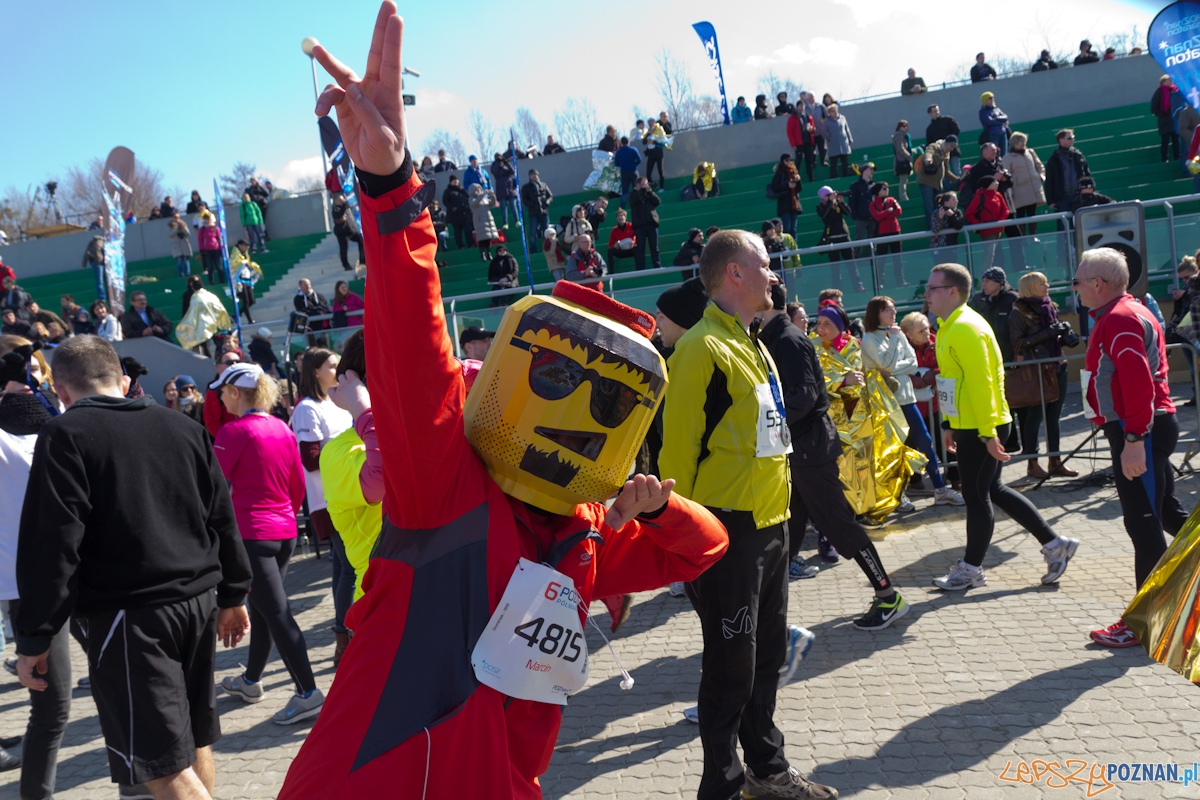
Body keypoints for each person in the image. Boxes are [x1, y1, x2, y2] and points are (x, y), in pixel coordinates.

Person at [280, 14, 729, 796]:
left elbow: (702, 550)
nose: (581, 413)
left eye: (611, 402)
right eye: (556, 379)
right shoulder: (444, 487)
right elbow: (411, 354)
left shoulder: (583, 530)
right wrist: (391, 191)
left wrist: (656, 508)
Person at [15, 335, 252, 798]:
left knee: (161, 764)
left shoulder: (65, 435)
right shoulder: (181, 427)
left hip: (130, 615)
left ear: (61, 392)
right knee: (193, 738)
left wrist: (35, 634)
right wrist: (234, 593)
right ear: (119, 379)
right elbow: (221, 515)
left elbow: (54, 543)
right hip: (197, 602)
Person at [660, 230, 838, 800]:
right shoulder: (700, 349)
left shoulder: (752, 341)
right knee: (731, 665)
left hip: (770, 524)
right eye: (765, 263)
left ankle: (768, 767)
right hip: (724, 531)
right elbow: (676, 454)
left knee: (767, 658)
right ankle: (722, 785)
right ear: (734, 273)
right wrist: (680, 541)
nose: (774, 273)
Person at [762, 284, 919, 617]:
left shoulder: (788, 340)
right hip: (798, 450)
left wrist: (761, 424)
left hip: (811, 451)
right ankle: (766, 614)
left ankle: (888, 596)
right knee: (786, 528)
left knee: (839, 525)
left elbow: (804, 396)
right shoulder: (771, 337)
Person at [923, 264, 1077, 591]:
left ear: (953, 292)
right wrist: (951, 422)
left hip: (983, 426)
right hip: (973, 425)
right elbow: (954, 382)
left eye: (932, 288)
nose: (926, 294)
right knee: (991, 491)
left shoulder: (965, 328)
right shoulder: (950, 325)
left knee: (977, 496)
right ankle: (1055, 545)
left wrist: (988, 433)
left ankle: (970, 568)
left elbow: (983, 384)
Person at [1074, 248, 1189, 646]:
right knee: (1166, 514)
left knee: (1143, 525)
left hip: (1140, 429)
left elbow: (1138, 382)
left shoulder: (1121, 318)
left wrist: (1134, 440)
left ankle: (1146, 624)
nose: (1074, 287)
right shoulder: (1126, 311)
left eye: (1077, 280)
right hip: (1144, 427)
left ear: (1097, 284)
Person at [209, 362, 322, 725]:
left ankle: (308, 693)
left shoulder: (233, 431)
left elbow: (210, 489)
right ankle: (251, 681)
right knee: (263, 611)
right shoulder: (281, 428)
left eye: (223, 391)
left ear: (236, 392)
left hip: (252, 536)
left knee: (275, 614)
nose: (221, 398)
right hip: (284, 532)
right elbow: (297, 487)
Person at [861, 296, 963, 506]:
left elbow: (912, 363)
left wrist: (892, 365)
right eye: (888, 309)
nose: (893, 312)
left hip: (907, 399)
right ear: (876, 313)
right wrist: (896, 346)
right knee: (894, 449)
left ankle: (940, 490)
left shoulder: (896, 334)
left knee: (925, 441)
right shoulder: (870, 339)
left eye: (893, 307)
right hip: (886, 403)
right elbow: (890, 365)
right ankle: (897, 495)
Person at [318, 331, 383, 655]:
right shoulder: (338, 452)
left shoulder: (422, 428)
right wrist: (363, 409)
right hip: (381, 610)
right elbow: (383, 478)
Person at [1008, 271, 1077, 480]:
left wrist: (1064, 334)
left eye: (1046, 283)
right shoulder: (1019, 312)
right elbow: (1018, 343)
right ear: (1030, 287)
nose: (1047, 286)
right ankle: (1032, 463)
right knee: (1035, 417)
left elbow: (1052, 339)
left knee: (1054, 417)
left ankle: (1055, 462)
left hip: (1057, 365)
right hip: (1037, 370)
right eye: (1042, 284)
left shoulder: (1050, 306)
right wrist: (1049, 332)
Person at [817, 186, 861, 292]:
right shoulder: (820, 207)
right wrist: (830, 202)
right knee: (835, 266)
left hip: (844, 237)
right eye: (828, 195)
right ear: (823, 197)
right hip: (832, 238)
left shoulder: (837, 204)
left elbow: (848, 212)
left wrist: (841, 202)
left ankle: (858, 285)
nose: (831, 196)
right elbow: (824, 216)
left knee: (852, 263)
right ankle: (837, 289)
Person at [1004, 132, 1046, 235]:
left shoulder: (1030, 152)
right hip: (1018, 190)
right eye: (1020, 141)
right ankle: (1022, 237)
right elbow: (1006, 176)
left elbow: (1039, 166)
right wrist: (1009, 191)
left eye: (1024, 141)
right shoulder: (1007, 157)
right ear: (1014, 143)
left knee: (1032, 213)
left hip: (1033, 188)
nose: (1023, 143)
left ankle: (1033, 235)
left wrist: (1041, 175)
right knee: (1020, 215)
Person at [965, 174, 1010, 269]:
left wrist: (1000, 221)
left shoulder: (998, 194)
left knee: (994, 253)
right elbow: (969, 213)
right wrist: (980, 225)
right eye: (994, 182)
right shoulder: (979, 197)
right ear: (987, 184)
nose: (997, 183)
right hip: (987, 230)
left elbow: (1005, 210)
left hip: (998, 228)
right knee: (989, 254)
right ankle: (985, 274)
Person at [916, 136, 959, 230]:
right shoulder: (935, 146)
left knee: (938, 206)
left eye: (953, 147)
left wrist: (958, 180)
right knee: (929, 206)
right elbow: (928, 153)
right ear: (946, 143)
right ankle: (932, 227)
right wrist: (928, 160)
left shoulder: (947, 154)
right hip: (926, 181)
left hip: (938, 184)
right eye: (951, 146)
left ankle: (939, 225)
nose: (952, 149)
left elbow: (946, 172)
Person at [869, 183, 905, 288]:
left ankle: (900, 280)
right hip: (882, 233)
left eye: (887, 188)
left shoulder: (891, 200)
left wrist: (885, 214)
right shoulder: (873, 204)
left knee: (898, 258)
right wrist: (888, 212)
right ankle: (880, 282)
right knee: (881, 259)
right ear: (878, 191)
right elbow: (876, 216)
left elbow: (899, 211)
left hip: (895, 231)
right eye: (884, 188)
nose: (886, 190)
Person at [1044, 129, 1090, 212]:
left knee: (1079, 222)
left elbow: (1087, 173)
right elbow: (1049, 181)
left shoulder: (1078, 155)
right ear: (1061, 140)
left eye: (1073, 137)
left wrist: (1088, 190)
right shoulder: (1054, 159)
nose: (1072, 140)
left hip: (1078, 195)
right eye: (1069, 138)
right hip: (1062, 197)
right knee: (1063, 223)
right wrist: (1051, 200)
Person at [630, 177, 662, 272]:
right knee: (640, 249)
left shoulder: (648, 194)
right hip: (640, 226)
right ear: (638, 185)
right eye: (644, 184)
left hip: (651, 224)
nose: (646, 185)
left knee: (654, 248)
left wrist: (650, 192)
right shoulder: (632, 194)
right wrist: (643, 190)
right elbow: (635, 199)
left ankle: (657, 266)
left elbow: (657, 201)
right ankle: (641, 269)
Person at [847, 161, 876, 260]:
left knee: (873, 239)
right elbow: (852, 202)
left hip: (872, 217)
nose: (872, 171)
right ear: (864, 170)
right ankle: (855, 259)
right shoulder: (855, 186)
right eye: (870, 169)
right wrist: (855, 216)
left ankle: (872, 258)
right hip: (861, 218)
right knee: (859, 239)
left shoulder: (873, 185)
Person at [926, 105, 961, 178]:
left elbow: (956, 129)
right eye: (935, 111)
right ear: (930, 114)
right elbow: (930, 143)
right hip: (941, 153)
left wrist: (950, 141)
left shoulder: (948, 120)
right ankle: (948, 189)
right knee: (944, 172)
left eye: (937, 110)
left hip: (953, 150)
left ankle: (961, 187)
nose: (937, 112)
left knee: (956, 170)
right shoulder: (930, 129)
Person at [231, 239, 262, 324]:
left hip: (247, 280)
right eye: (246, 246)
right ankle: (250, 320)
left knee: (251, 301)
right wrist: (237, 281)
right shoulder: (235, 255)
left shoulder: (245, 254)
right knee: (246, 301)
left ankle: (236, 315)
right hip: (239, 280)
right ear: (240, 245)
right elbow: (234, 268)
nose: (247, 248)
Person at [519, 168, 553, 245]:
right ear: (529, 176)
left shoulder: (544, 185)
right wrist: (532, 205)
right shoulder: (526, 187)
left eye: (535, 174)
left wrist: (546, 203)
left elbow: (550, 196)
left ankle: (547, 247)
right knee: (532, 233)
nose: (534, 176)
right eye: (532, 175)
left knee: (546, 231)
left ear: (538, 175)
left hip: (544, 212)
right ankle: (533, 249)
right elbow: (523, 199)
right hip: (533, 213)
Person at [332, 191, 365, 270]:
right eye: (340, 200)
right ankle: (346, 265)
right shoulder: (336, 209)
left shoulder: (346, 208)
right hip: (341, 232)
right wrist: (343, 204)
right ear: (336, 200)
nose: (342, 201)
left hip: (350, 231)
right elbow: (339, 214)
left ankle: (362, 259)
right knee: (344, 248)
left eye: (342, 199)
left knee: (361, 240)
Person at [786, 107, 818, 184]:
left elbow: (813, 128)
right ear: (797, 107)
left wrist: (812, 129)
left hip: (808, 142)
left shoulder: (808, 116)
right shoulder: (793, 117)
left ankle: (811, 179)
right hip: (798, 143)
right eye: (800, 105)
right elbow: (790, 132)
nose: (802, 107)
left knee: (809, 161)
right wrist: (793, 144)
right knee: (798, 161)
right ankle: (796, 179)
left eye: (803, 105)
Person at [468, 183, 499, 261]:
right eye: (477, 189)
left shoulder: (484, 198)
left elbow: (492, 204)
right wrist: (482, 195)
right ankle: (482, 255)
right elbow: (474, 203)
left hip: (487, 219)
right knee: (482, 239)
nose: (479, 190)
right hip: (479, 220)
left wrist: (492, 196)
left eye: (480, 189)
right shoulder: (471, 198)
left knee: (488, 239)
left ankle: (489, 254)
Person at [442, 174, 473, 250]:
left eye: (456, 180)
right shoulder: (448, 191)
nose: (455, 182)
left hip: (465, 215)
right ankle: (460, 246)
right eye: (453, 180)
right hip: (455, 216)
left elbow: (469, 198)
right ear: (450, 182)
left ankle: (471, 244)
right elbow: (445, 201)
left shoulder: (462, 190)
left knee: (468, 230)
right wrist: (453, 208)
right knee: (457, 232)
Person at [489, 152, 519, 228]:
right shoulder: (494, 165)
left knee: (513, 205)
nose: (499, 158)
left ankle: (517, 221)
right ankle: (505, 223)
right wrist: (497, 162)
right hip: (501, 188)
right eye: (496, 157)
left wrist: (506, 162)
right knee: (503, 206)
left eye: (499, 156)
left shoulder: (506, 164)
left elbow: (512, 171)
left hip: (510, 187)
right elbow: (494, 171)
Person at [824, 104, 853, 178]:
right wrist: (829, 137)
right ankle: (834, 179)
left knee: (845, 164)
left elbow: (847, 129)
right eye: (833, 111)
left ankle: (846, 177)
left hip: (843, 144)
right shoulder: (826, 121)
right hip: (833, 145)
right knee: (834, 165)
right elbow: (824, 131)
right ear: (829, 113)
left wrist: (850, 139)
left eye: (836, 110)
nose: (835, 112)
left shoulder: (842, 118)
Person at [196, 208, 224, 285]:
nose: (206, 220)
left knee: (219, 267)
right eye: (205, 219)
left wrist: (221, 249)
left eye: (208, 219)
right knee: (210, 268)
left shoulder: (216, 228)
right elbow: (200, 240)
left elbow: (219, 239)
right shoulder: (202, 230)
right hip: (207, 251)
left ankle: (222, 281)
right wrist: (201, 250)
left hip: (216, 249)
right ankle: (211, 282)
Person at [979, 92, 1010, 157]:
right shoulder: (982, 111)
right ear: (985, 100)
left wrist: (996, 118)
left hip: (1003, 133)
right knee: (993, 154)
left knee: (1004, 154)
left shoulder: (997, 109)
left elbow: (1005, 117)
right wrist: (1001, 122)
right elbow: (989, 121)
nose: (992, 99)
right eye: (990, 98)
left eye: (993, 98)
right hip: (993, 134)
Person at [614, 137, 642, 209]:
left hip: (624, 172)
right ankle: (640, 204)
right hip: (633, 171)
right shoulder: (633, 149)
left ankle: (622, 208)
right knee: (637, 188)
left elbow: (616, 163)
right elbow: (639, 160)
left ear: (621, 143)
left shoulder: (618, 152)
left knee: (624, 192)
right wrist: (634, 164)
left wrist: (623, 165)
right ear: (628, 142)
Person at [891, 120, 915, 201]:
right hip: (902, 161)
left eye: (906, 126)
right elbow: (900, 148)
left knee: (904, 179)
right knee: (903, 180)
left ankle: (903, 196)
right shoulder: (899, 135)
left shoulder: (904, 135)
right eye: (903, 126)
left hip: (903, 160)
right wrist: (909, 157)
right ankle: (903, 197)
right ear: (899, 127)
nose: (905, 127)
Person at [81, 233, 107, 302]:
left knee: (100, 281)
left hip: (96, 262)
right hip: (99, 262)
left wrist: (84, 264)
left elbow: (86, 253)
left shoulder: (92, 243)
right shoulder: (101, 242)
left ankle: (102, 297)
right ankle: (102, 297)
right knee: (102, 281)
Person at [168, 210, 194, 277]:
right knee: (178, 261)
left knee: (186, 260)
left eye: (177, 217)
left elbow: (188, 233)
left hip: (184, 244)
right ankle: (180, 273)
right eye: (174, 217)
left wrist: (182, 227)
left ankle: (187, 273)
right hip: (176, 246)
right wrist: (176, 229)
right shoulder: (170, 225)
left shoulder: (183, 224)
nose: (176, 219)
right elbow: (170, 234)